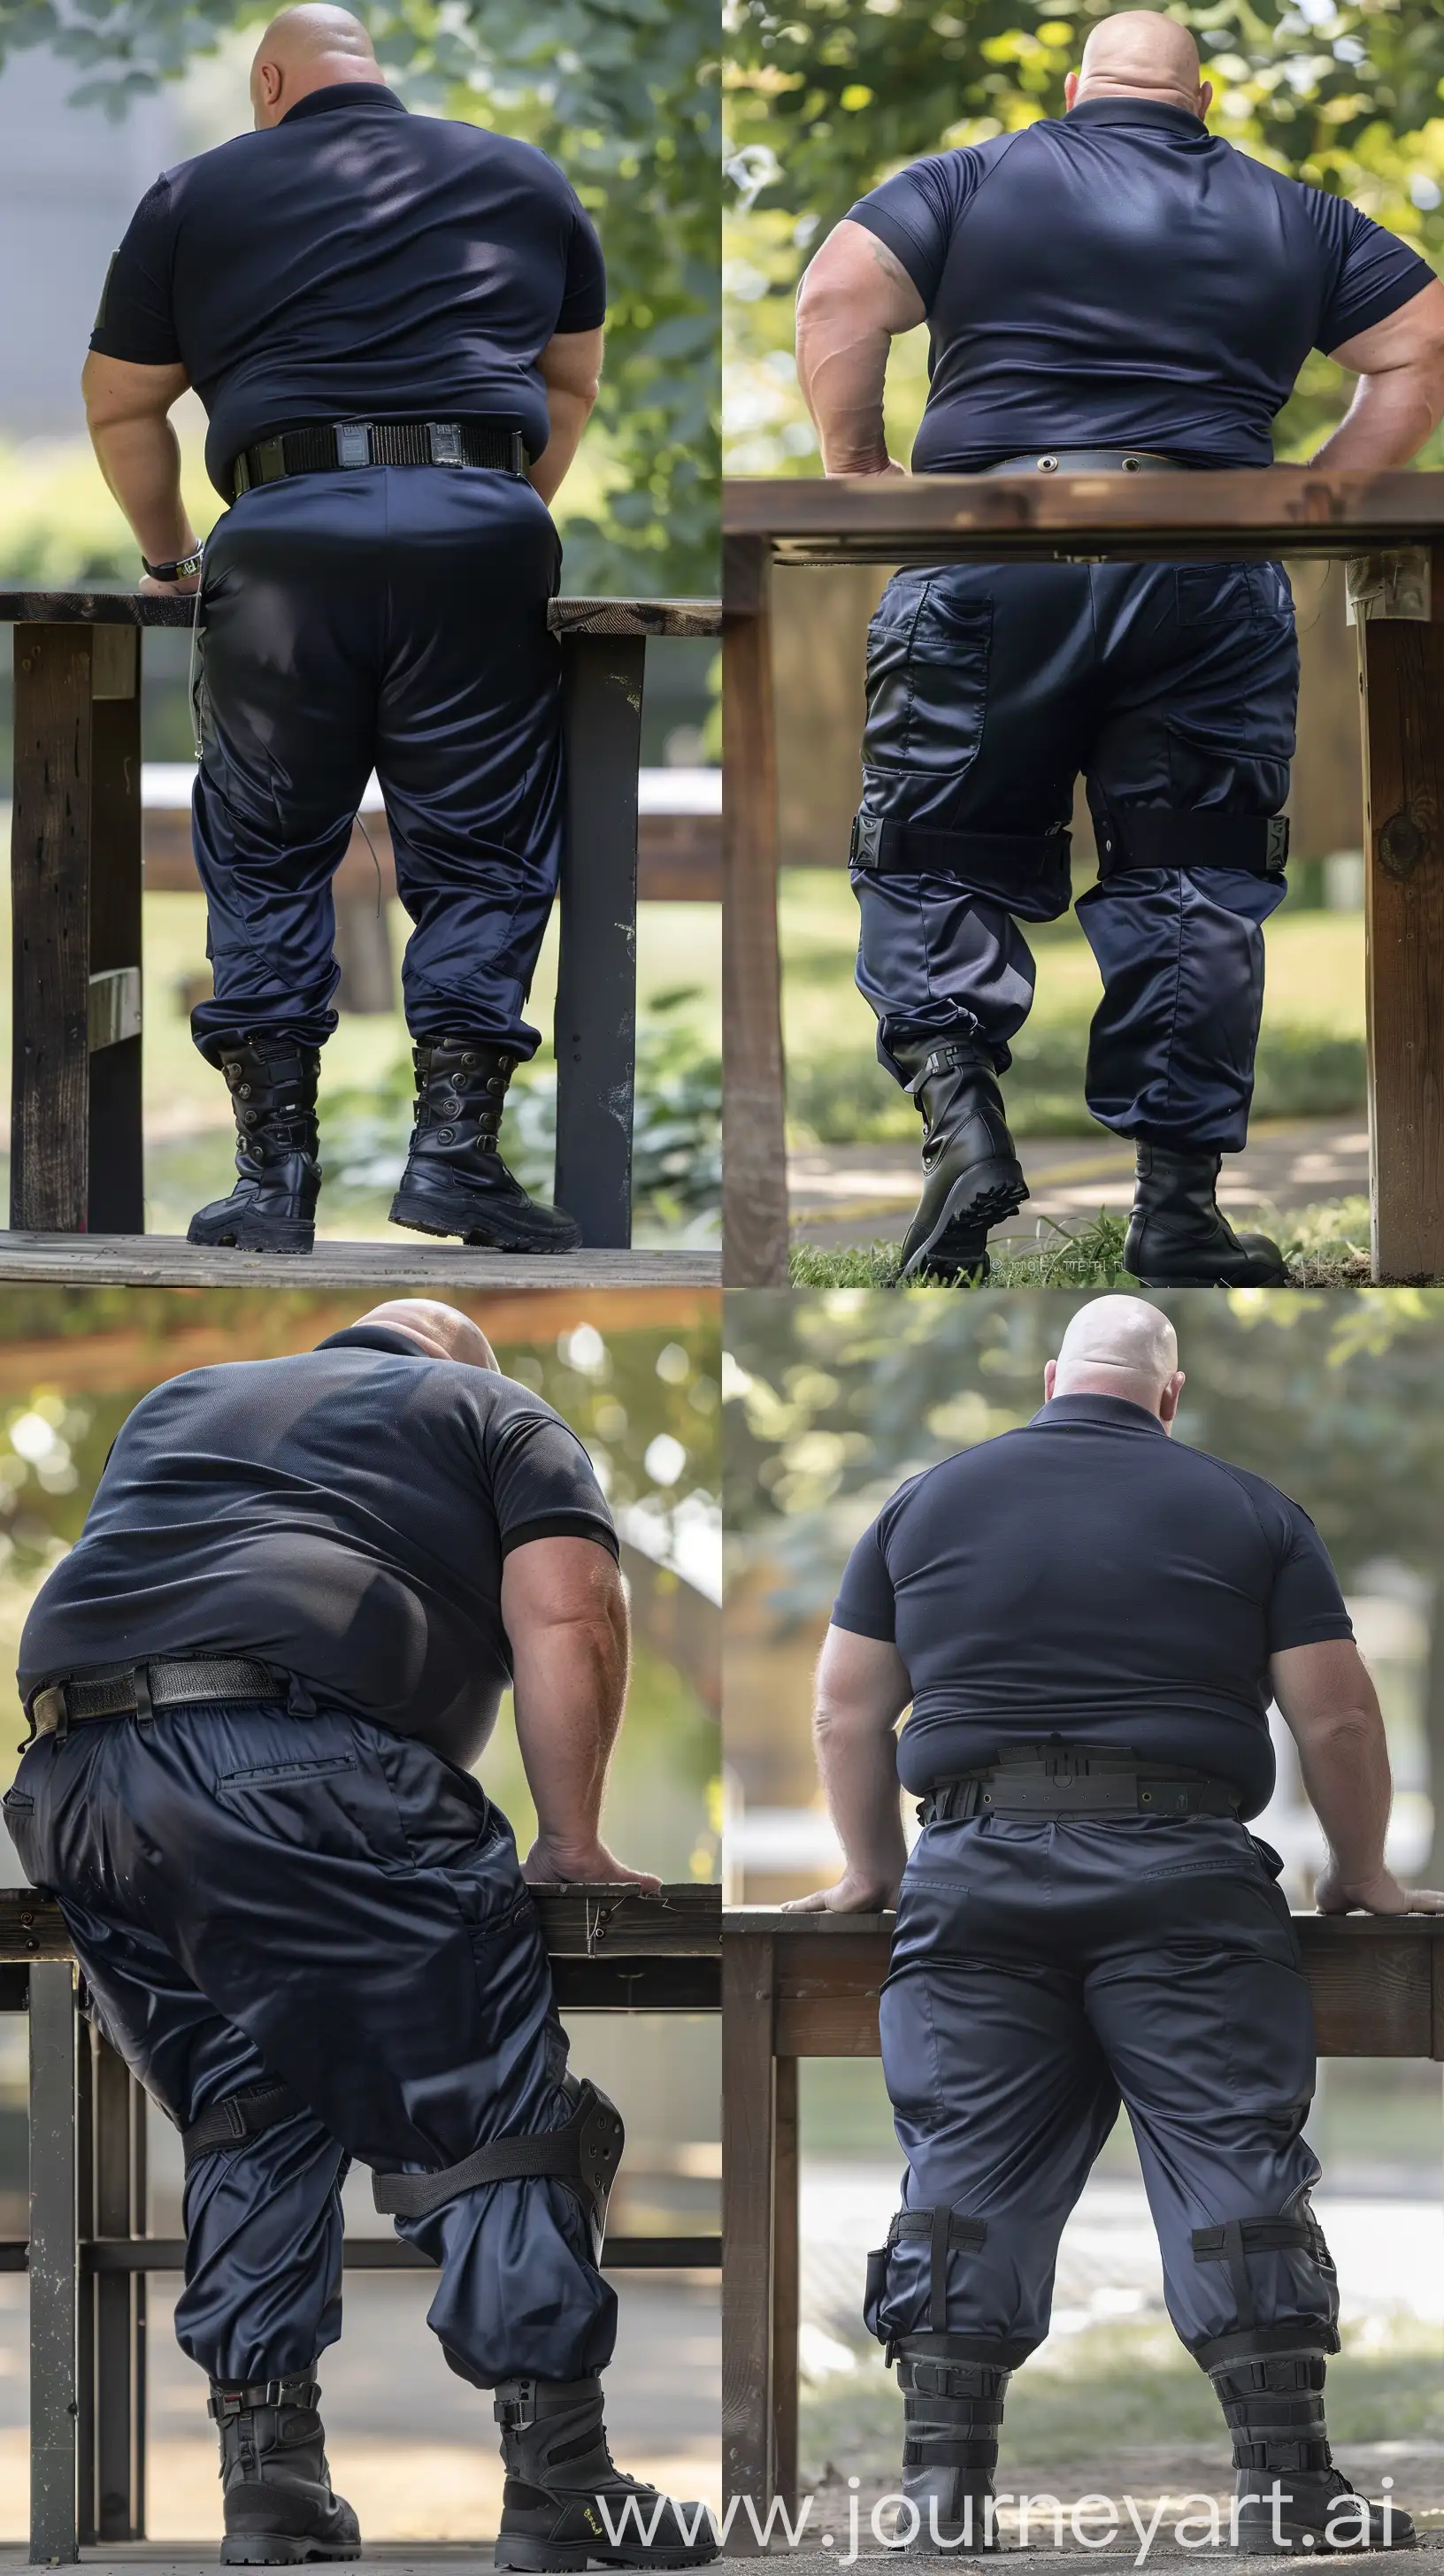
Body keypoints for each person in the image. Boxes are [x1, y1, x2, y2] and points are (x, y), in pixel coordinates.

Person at [2, 1298, 717, 2571]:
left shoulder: (180, 1404)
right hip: (298, 1772)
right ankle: (561, 2484)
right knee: (489, 2110)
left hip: (75, 1788)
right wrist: (570, 1839)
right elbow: (570, 1610)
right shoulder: (490, 1406)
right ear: (452, 1357)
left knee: (246, 2105)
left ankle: (269, 2484)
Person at [794, 12, 1444, 1288]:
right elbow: (1421, 345)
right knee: (1194, 882)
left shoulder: (970, 179)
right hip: (1205, 575)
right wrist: (1319, 492)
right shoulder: (1300, 214)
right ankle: (1178, 1214)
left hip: (989, 558)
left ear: (1075, 85)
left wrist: (860, 477)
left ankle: (964, 1130)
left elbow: (836, 292)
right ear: (1201, 96)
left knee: (935, 855)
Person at [786, 1295, 1443, 2553]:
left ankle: (940, 2496)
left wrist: (874, 1869)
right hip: (1183, 1873)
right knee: (1228, 2160)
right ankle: (1291, 2492)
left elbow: (844, 1714)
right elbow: (1340, 1720)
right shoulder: (1251, 1510)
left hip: (977, 1873)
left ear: (1050, 1380)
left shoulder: (923, 1505)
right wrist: (1362, 1871)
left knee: (964, 2167)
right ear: (1169, 1396)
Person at [82, 4, 607, 1258]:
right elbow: (568, 385)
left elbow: (120, 410)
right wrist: (481, 508)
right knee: (483, 854)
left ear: (269, 80)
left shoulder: (190, 194)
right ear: (376, 74)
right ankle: (457, 1162)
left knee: (265, 849)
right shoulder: (525, 177)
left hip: (280, 539)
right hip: (481, 534)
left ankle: (272, 1185)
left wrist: (170, 556)